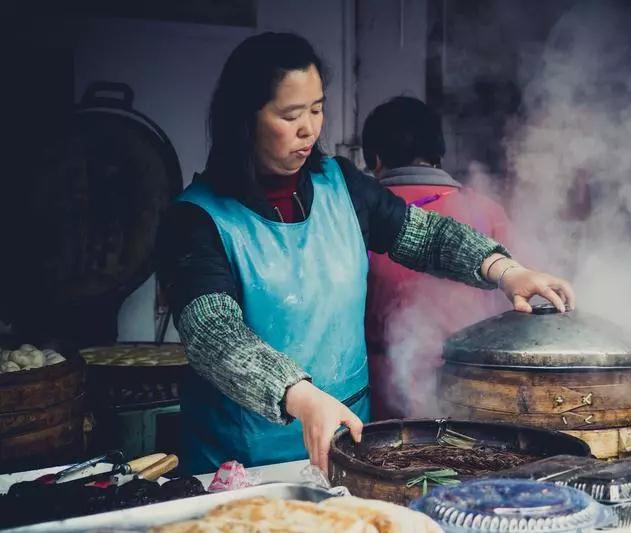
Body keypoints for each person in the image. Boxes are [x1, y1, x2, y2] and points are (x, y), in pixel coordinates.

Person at [156, 32, 575, 476]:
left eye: (317, 110)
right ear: (244, 119)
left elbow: (424, 234)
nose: (309, 129)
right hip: (240, 461)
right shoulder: (195, 219)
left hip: (347, 446)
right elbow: (213, 335)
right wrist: (299, 395)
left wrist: (504, 270)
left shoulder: (340, 183)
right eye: (290, 115)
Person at [361, 96, 512, 420]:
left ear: (374, 159)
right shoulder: (487, 211)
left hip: (377, 396)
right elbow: (511, 308)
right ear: (438, 152)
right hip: (470, 390)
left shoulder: (359, 213)